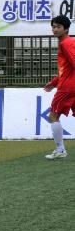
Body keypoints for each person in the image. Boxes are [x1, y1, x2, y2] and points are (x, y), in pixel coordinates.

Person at [42, 14, 75, 159]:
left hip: (67, 88)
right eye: (53, 27)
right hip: (69, 84)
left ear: (66, 28)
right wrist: (54, 82)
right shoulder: (68, 42)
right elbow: (66, 69)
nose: (55, 29)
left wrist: (59, 83)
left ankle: (60, 150)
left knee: (53, 115)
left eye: (58, 27)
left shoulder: (65, 43)